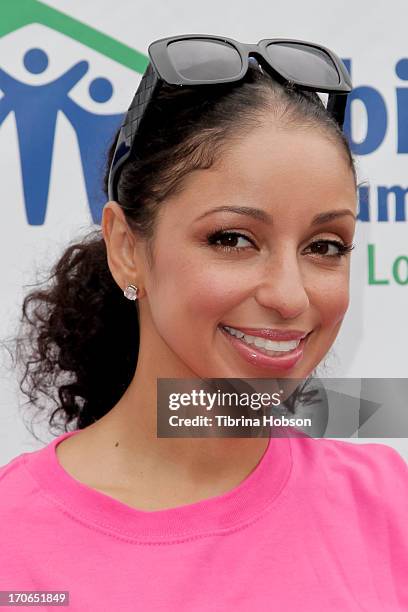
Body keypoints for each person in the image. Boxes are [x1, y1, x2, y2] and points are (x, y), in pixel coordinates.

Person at [0, 35, 407, 611]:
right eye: (233, 239)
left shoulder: (389, 507)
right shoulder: (11, 541)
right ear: (126, 248)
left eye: (324, 245)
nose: (290, 296)